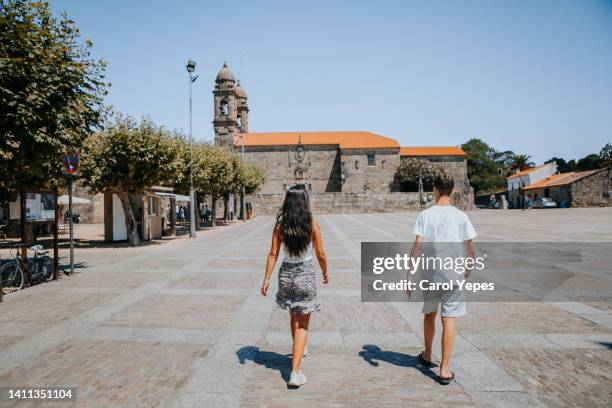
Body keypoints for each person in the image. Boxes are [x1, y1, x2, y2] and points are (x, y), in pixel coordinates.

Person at [409, 172, 476, 385]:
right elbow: (470, 247)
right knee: (449, 320)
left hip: (431, 275)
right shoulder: (461, 216)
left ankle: (428, 354)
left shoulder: (426, 215)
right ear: (453, 190)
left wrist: (409, 273)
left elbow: (418, 245)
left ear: (434, 189)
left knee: (429, 315)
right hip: (453, 275)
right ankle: (444, 370)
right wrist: (469, 265)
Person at [261, 185, 329, 388]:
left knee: (293, 315)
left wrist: (266, 279)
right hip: (305, 273)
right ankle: (295, 373)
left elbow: (273, 253)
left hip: (286, 275)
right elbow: (321, 253)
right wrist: (325, 272)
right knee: (303, 324)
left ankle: (301, 350)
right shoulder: (312, 223)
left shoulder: (280, 226)